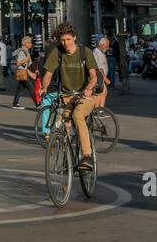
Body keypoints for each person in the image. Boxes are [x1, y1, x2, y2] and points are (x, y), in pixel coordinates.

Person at [40, 22, 98, 171]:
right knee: (62, 125)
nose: (65, 43)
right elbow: (48, 74)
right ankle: (68, 160)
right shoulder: (57, 52)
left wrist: (89, 88)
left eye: (68, 39)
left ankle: (87, 156)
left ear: (74, 38)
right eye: (63, 40)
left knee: (78, 116)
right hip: (65, 97)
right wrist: (44, 87)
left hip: (84, 96)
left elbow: (94, 76)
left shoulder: (85, 52)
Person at [11, 35, 34, 109]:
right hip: (23, 72)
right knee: (31, 88)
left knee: (20, 88)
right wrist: (27, 59)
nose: (31, 44)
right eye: (30, 42)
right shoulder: (22, 51)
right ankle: (39, 103)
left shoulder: (25, 50)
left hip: (24, 71)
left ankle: (15, 103)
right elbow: (18, 63)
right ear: (25, 43)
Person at [92, 36, 111, 110]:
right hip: (99, 77)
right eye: (107, 46)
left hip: (101, 77)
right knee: (99, 93)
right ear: (102, 45)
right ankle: (97, 110)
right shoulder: (96, 52)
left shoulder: (100, 52)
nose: (108, 48)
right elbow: (98, 68)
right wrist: (105, 78)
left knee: (103, 93)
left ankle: (100, 109)